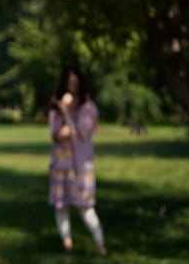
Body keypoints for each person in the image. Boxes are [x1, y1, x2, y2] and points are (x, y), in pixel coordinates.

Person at [48, 66, 107, 255]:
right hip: (61, 162)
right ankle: (68, 245)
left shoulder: (87, 108)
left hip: (81, 165)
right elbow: (57, 135)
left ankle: (100, 245)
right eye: (69, 82)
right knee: (61, 205)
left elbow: (79, 133)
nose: (72, 86)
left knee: (85, 207)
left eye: (75, 82)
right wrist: (62, 110)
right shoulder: (55, 108)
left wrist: (66, 113)